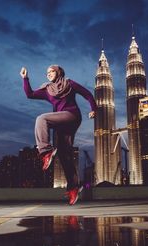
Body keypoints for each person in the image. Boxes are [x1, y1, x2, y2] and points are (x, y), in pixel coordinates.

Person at [20, 65, 96, 205]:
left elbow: (88, 94)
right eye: (47, 72)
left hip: (72, 116)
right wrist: (25, 78)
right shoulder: (48, 90)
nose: (48, 74)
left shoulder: (69, 83)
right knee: (64, 154)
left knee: (41, 119)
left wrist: (93, 109)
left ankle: (46, 151)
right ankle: (74, 187)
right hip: (61, 121)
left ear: (58, 72)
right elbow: (29, 94)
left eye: (51, 71)